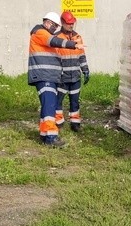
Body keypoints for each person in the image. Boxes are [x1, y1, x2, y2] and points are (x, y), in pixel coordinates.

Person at [28, 11, 85, 147]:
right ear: (47, 22)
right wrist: (73, 45)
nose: (55, 28)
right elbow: (54, 41)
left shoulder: (45, 33)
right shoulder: (40, 32)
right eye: (54, 26)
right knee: (50, 106)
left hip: (49, 76)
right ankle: (51, 137)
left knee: (48, 105)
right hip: (44, 76)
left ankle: (44, 135)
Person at [54, 11, 90, 132]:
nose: (71, 25)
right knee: (58, 100)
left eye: (72, 23)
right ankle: (58, 122)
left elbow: (81, 56)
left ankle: (75, 123)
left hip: (75, 77)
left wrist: (85, 70)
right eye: (69, 23)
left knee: (75, 101)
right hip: (62, 77)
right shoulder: (56, 38)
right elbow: (54, 58)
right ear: (62, 23)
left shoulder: (77, 37)